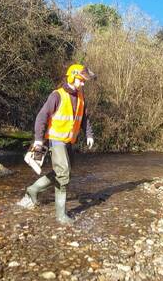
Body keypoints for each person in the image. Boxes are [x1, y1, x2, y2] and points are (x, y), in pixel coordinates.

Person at [17, 64, 95, 224]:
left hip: (68, 141)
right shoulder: (56, 96)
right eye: (82, 80)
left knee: (64, 173)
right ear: (72, 77)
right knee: (63, 173)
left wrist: (89, 134)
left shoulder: (80, 97)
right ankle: (60, 215)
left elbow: (85, 119)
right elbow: (41, 117)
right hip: (55, 140)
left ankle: (32, 190)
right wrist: (38, 139)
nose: (83, 84)